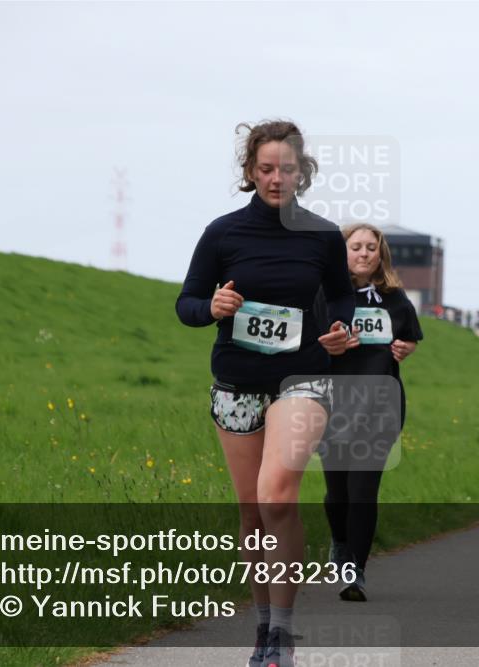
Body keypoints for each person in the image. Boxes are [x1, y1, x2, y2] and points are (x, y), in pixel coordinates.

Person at [175, 120, 355, 667]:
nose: (278, 178)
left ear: (304, 172)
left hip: (303, 378)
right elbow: (186, 303)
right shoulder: (222, 233)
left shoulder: (323, 235)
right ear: (251, 172)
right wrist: (212, 309)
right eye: (267, 168)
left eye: (288, 168)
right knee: (252, 510)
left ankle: (282, 633)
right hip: (237, 382)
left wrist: (341, 332)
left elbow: (343, 299)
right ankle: (261, 630)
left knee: (277, 494)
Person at [315, 223, 422, 603]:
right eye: (356, 246)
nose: (364, 253)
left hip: (379, 405)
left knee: (363, 491)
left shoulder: (394, 298)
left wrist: (406, 347)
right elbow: (306, 347)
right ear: (342, 251)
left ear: (381, 255)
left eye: (371, 247)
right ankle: (340, 541)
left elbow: (409, 336)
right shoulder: (324, 294)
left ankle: (354, 572)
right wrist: (332, 348)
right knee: (336, 495)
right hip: (332, 404)